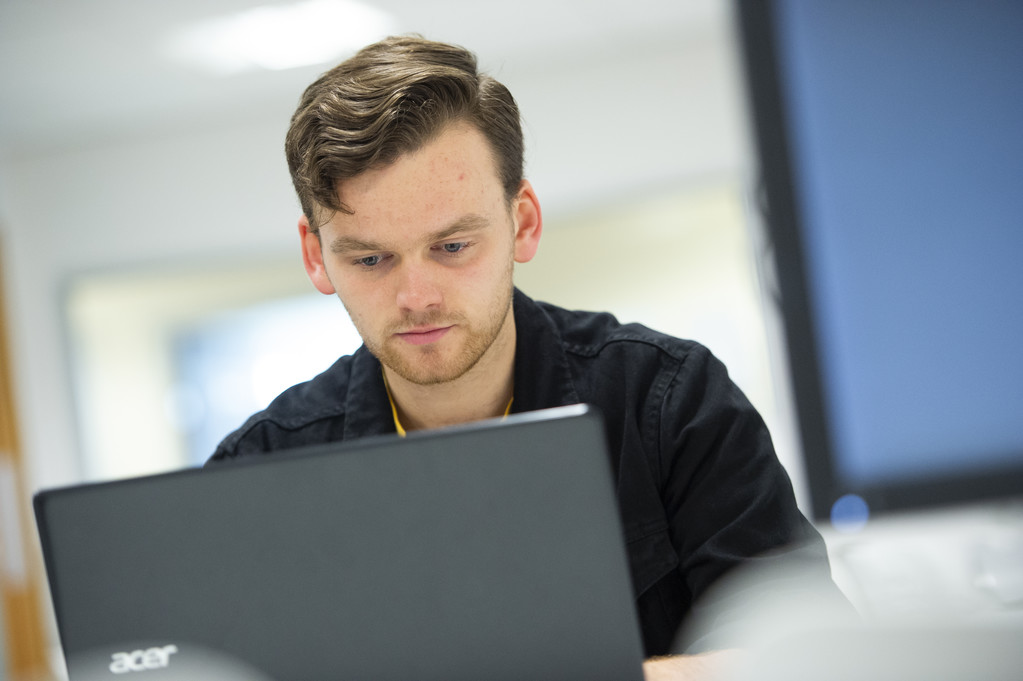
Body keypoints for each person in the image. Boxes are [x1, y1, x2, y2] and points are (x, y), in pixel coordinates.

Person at [208, 34, 840, 679]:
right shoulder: (256, 473)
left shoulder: (668, 403)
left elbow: (809, 658)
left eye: (453, 246)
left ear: (524, 223)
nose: (416, 297)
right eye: (370, 259)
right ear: (317, 257)